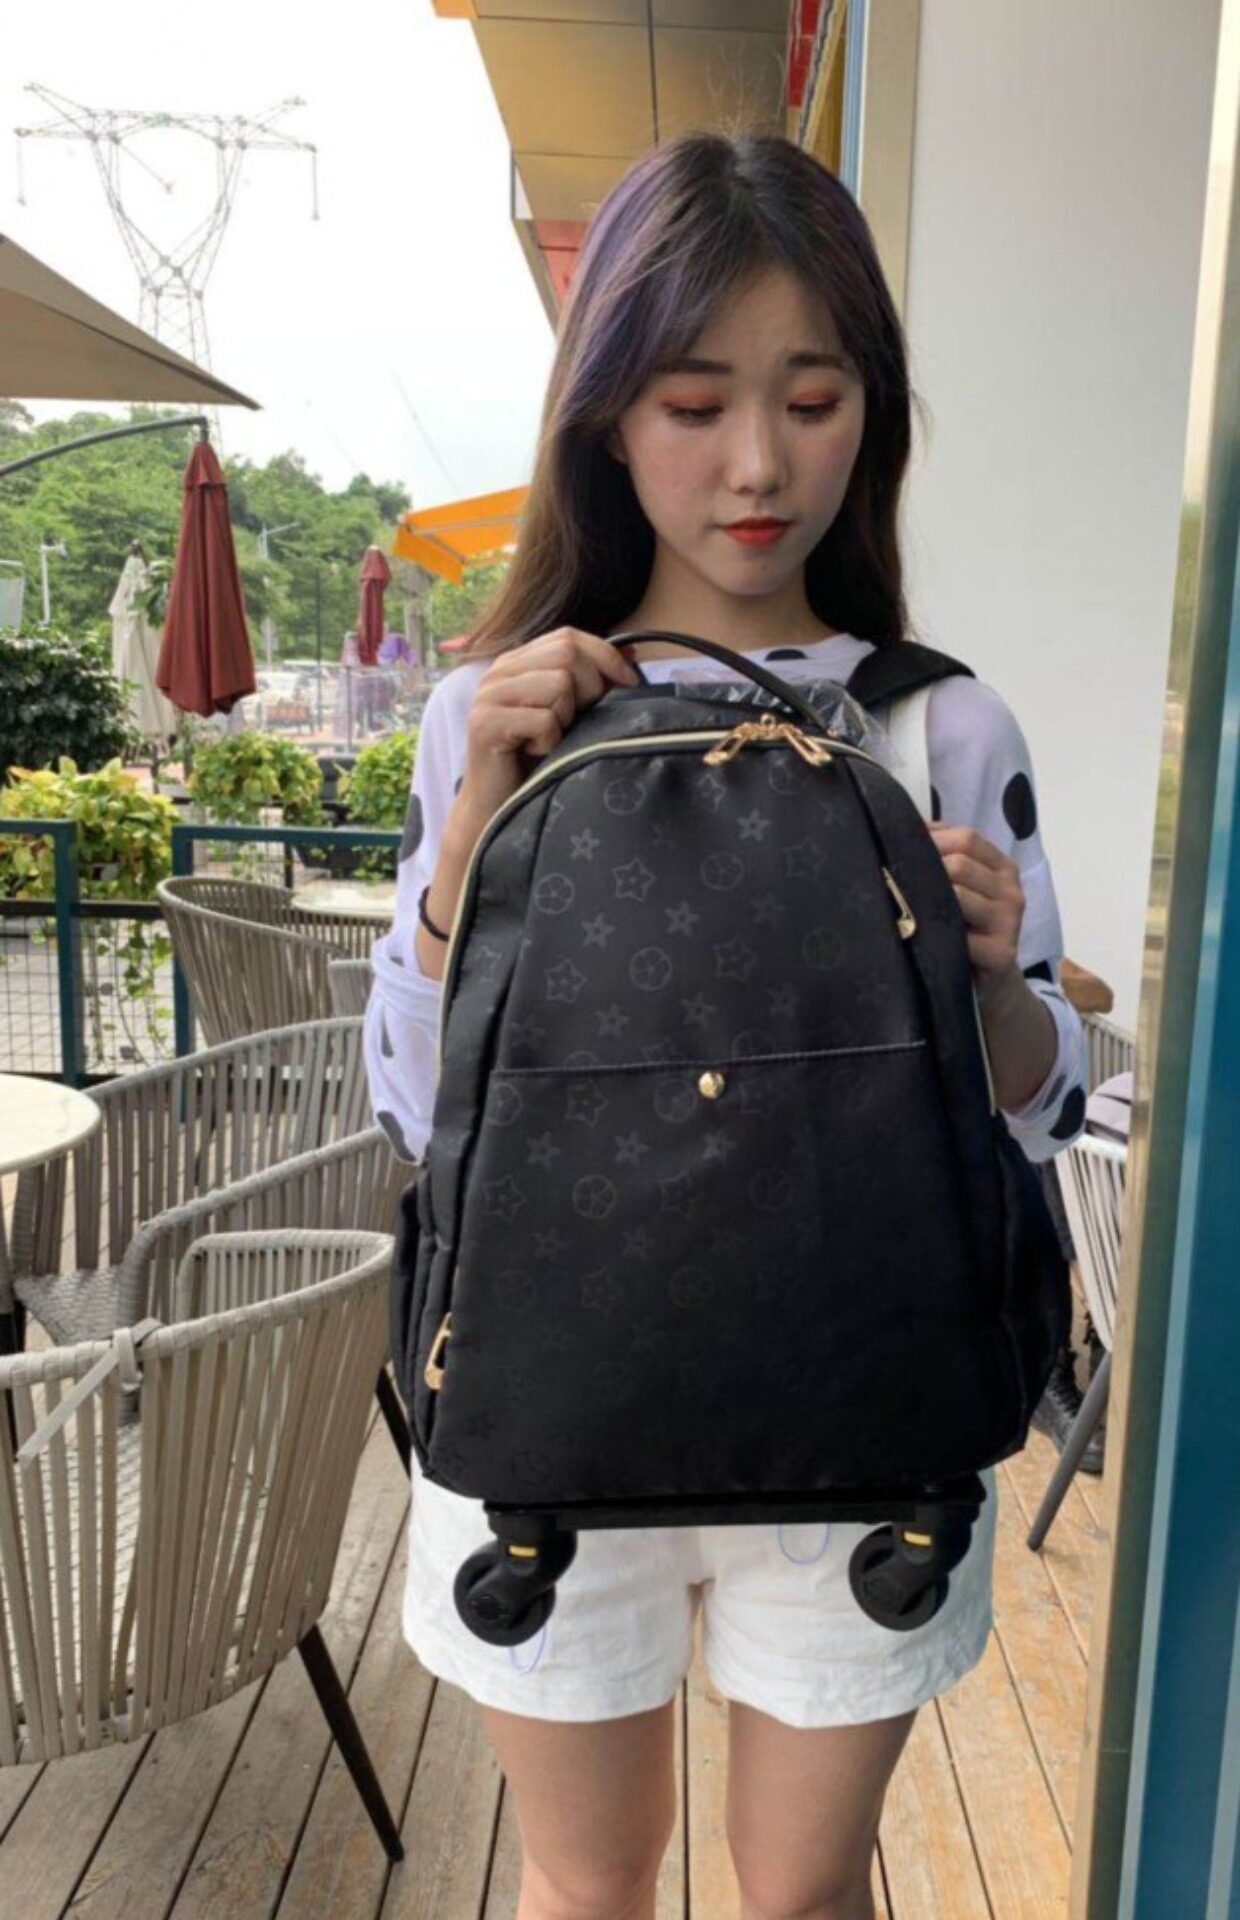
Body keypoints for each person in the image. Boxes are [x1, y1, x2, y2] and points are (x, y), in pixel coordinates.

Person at [365, 131, 1088, 1920]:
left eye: (812, 399)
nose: (759, 464)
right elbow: (417, 1105)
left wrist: (994, 986)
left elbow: (1041, 1113)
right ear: (606, 420)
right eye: (694, 403)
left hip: (862, 1420)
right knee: (585, 1883)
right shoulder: (493, 718)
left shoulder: (941, 727)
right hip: (544, 1408)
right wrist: (468, 850)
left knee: (802, 1894)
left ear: (872, 416)